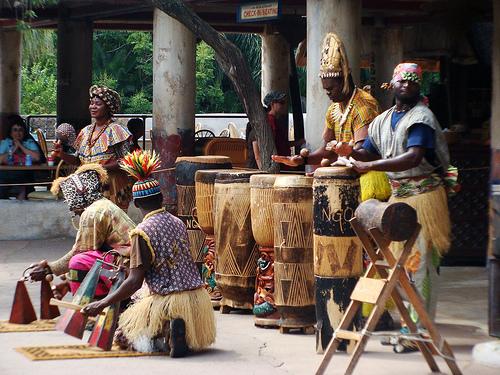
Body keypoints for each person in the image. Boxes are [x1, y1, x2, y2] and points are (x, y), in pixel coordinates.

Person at [344, 62, 452, 349]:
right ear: (391, 84)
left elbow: (413, 157)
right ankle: (409, 325)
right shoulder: (383, 119)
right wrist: (348, 152)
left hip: (424, 196)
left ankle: (421, 331)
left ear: (419, 87)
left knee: (420, 265)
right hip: (399, 199)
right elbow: (367, 150)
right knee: (400, 268)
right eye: (402, 81)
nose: (406, 86)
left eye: (413, 82)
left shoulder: (422, 118)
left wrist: (371, 164)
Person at [82, 150, 216, 357]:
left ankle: (166, 334)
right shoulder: (177, 222)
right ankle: (177, 332)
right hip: (197, 299)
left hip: (167, 299)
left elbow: (135, 281)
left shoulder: (141, 232)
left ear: (136, 203)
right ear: (161, 197)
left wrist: (102, 303)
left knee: (123, 337)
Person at [271, 33, 391, 201]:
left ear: (345, 81)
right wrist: (302, 160)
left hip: (367, 182)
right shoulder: (333, 109)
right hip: (345, 180)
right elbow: (328, 151)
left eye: (331, 89)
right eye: (325, 90)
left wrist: (345, 153)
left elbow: (364, 155)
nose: (328, 93)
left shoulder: (364, 106)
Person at [28, 163, 136, 299]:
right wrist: (66, 281)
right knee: (83, 260)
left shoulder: (92, 212)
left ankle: (85, 308)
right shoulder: (104, 204)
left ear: (77, 200)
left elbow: (81, 253)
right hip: (129, 262)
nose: (71, 210)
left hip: (127, 267)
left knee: (78, 261)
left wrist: (49, 268)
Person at [52, 85, 133, 210]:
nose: (92, 107)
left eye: (98, 104)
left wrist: (99, 168)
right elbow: (78, 161)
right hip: (88, 187)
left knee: (113, 225)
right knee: (91, 225)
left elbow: (126, 161)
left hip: (112, 187)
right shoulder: (85, 131)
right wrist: (61, 154)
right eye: (91, 103)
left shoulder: (117, 130)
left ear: (108, 108)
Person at [0, 115, 43, 199]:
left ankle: (22, 205)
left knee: (25, 182)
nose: (18, 133)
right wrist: (13, 149)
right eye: (15, 130)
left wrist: (20, 145)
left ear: (24, 132)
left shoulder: (29, 142)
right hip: (7, 173)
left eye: (20, 130)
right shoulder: (5, 142)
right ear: (11, 132)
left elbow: (37, 157)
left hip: (25, 173)